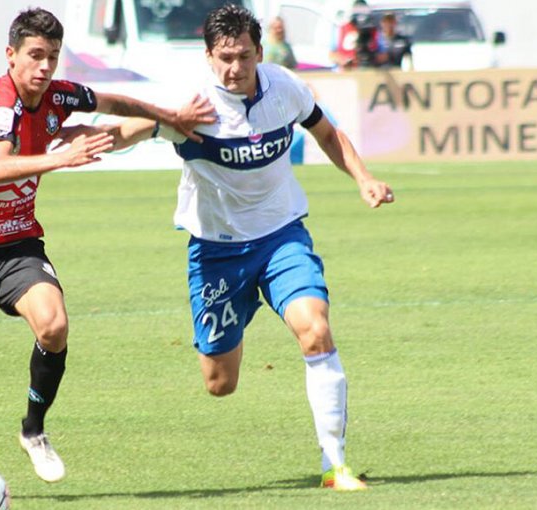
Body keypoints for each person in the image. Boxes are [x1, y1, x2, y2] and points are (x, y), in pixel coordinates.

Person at [0, 7, 214, 502]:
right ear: (11, 55)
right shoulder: (1, 101)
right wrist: (60, 156)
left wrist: (168, 117)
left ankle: (33, 429)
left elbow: (113, 100)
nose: (44, 66)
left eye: (52, 57)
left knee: (53, 326)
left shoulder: (57, 95)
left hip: (15, 243)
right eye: (35, 55)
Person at [103, 3, 394, 491]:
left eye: (243, 55)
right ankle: (239, 315)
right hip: (216, 251)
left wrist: (363, 178)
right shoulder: (190, 105)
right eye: (223, 57)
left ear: (260, 51)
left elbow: (326, 131)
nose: (233, 68)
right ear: (208, 56)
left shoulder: (284, 87)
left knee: (315, 329)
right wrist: (83, 145)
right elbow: (129, 131)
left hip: (281, 236)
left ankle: (335, 465)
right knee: (220, 383)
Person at [331, 0, 383, 69]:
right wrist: (345, 61)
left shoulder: (373, 30)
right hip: (347, 72)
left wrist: (371, 58)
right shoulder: (342, 29)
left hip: (369, 71)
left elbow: (383, 55)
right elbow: (331, 55)